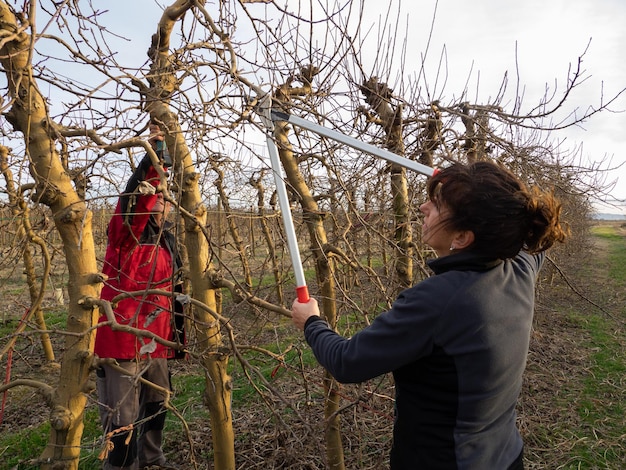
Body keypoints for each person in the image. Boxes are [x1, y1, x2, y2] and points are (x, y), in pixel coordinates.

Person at [291, 160, 568, 470]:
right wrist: (465, 186)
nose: (423, 208)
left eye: (437, 206)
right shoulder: (518, 269)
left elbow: (347, 362)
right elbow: (526, 230)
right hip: (505, 457)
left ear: (462, 238)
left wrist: (311, 323)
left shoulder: (438, 301)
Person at [95, 122, 181, 470]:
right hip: (123, 345)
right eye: (158, 199)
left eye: (167, 201)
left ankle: (152, 461)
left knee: (156, 406)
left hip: (155, 342)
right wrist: (153, 161)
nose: (163, 205)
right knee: (123, 419)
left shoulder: (168, 242)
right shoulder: (126, 236)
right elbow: (135, 201)